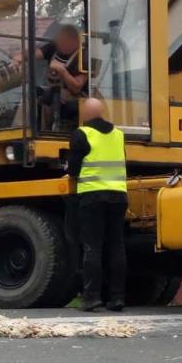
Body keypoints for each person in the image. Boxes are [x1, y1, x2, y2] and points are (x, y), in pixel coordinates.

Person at [67, 96, 128, 312]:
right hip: (119, 196)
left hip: (92, 197)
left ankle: (91, 297)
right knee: (116, 246)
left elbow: (73, 170)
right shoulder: (119, 135)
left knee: (92, 246)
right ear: (102, 112)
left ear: (84, 115)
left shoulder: (82, 134)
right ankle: (117, 297)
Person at [36, 21, 87, 130]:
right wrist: (19, 58)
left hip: (79, 97)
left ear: (74, 40)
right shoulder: (55, 47)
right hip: (55, 92)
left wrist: (62, 70)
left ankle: (49, 132)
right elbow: (35, 53)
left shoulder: (84, 55)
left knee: (51, 94)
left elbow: (77, 87)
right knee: (34, 92)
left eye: (64, 40)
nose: (60, 43)